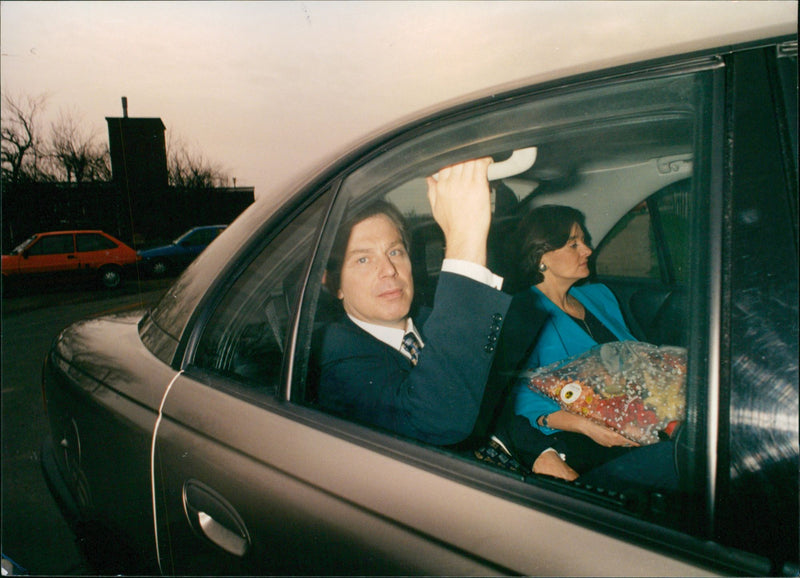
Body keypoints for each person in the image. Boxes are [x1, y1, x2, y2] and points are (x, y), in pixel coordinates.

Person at [316, 158, 513, 446]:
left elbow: (485, 391)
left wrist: (540, 450)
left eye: (395, 252)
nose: (388, 270)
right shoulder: (337, 363)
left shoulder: (431, 319)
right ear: (334, 285)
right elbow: (435, 422)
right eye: (362, 259)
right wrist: (465, 238)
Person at [501, 204, 679, 485]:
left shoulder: (599, 295)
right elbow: (514, 394)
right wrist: (586, 426)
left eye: (583, 241)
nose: (587, 250)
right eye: (574, 244)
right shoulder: (521, 312)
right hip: (579, 438)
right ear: (541, 256)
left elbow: (634, 356)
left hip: (643, 420)